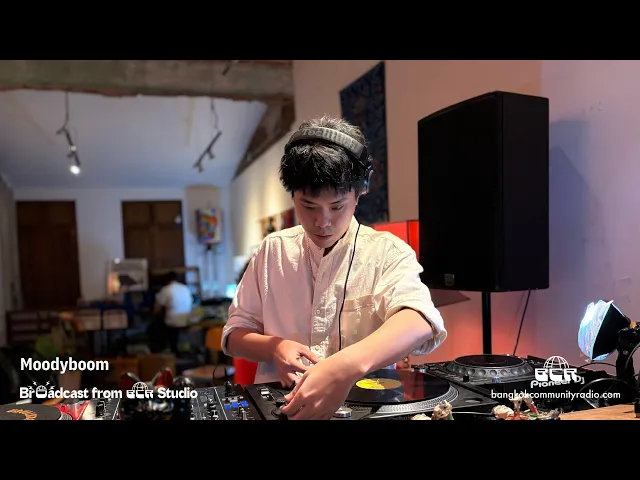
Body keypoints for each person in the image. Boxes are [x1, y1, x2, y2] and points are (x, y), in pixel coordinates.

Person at [221, 114, 447, 420]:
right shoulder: (272, 250)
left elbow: (419, 320)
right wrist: (274, 347)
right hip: (283, 407)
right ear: (293, 195)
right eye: (308, 206)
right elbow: (234, 334)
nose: (322, 222)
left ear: (360, 192)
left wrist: (345, 366)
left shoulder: (386, 252)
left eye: (337, 206)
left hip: (368, 410)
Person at [153, 271, 194, 354]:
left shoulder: (166, 289)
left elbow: (157, 309)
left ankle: (164, 349)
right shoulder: (185, 288)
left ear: (166, 280)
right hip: (187, 320)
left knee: (155, 326)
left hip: (172, 323)